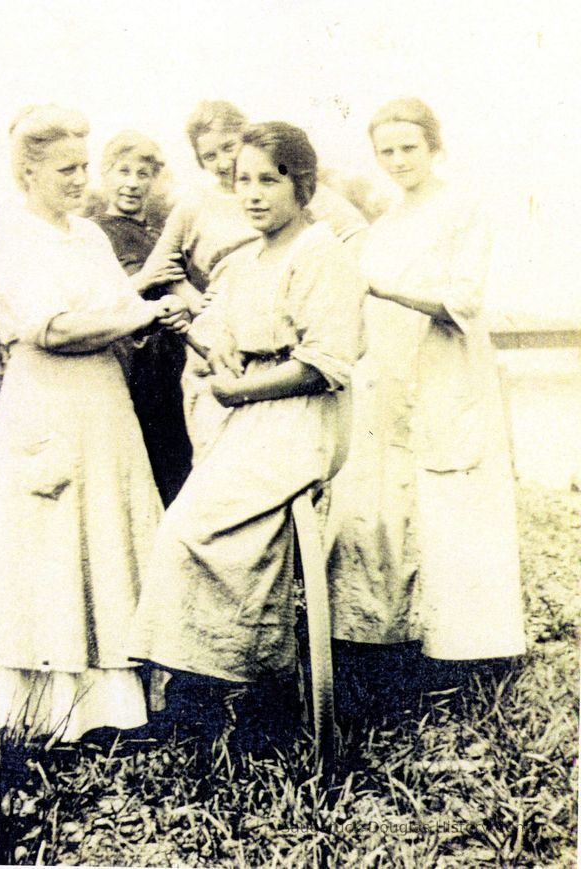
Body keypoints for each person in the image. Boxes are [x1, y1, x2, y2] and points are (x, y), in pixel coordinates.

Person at [0, 105, 189, 744]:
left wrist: (161, 312)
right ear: (28, 171)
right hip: (47, 403)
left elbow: (121, 307)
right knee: (44, 549)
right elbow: (51, 329)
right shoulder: (10, 237)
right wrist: (141, 314)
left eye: (83, 166)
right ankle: (42, 715)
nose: (80, 180)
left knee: (107, 539)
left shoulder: (89, 236)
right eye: (66, 168)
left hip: (104, 403)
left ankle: (113, 707)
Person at [129, 123, 365, 709]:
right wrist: (217, 353)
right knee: (184, 526)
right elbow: (210, 331)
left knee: (196, 527)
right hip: (251, 416)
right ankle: (218, 672)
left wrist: (244, 389)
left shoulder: (321, 252)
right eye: (243, 182)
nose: (254, 194)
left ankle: (243, 675)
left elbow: (325, 362)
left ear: (302, 186)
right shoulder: (245, 258)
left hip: (303, 416)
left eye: (270, 180)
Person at [332, 96, 525, 664]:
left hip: (447, 368)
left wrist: (378, 285)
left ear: (434, 147)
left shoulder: (464, 208)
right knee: (391, 499)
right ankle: (400, 638)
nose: (397, 160)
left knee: (454, 497)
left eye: (408, 148)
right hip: (390, 374)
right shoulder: (385, 224)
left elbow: (460, 299)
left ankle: (476, 648)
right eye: (385, 151)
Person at [137, 100, 369, 462]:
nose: (223, 162)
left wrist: (328, 287)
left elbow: (354, 232)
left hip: (281, 335)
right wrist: (196, 301)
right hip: (216, 335)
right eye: (209, 156)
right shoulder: (194, 205)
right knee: (217, 451)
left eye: (229, 148)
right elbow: (162, 267)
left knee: (279, 453)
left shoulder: (287, 191)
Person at [92, 131, 192, 504]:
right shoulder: (94, 234)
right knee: (133, 470)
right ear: (105, 174)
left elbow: (182, 289)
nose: (132, 184)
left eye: (143, 174)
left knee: (176, 465)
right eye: (123, 172)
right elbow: (92, 303)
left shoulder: (159, 234)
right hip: (127, 362)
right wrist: (145, 280)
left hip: (169, 362)